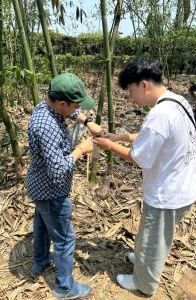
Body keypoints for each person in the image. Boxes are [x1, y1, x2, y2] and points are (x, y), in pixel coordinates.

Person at [93, 59, 196, 295]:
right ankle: (141, 257)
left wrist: (109, 145)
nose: (132, 98)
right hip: (183, 185)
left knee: (155, 241)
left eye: (131, 91)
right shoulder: (177, 101)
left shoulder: (159, 114)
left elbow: (139, 159)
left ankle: (143, 284)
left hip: (168, 194)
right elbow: (154, 136)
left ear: (144, 85)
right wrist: (121, 137)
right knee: (149, 234)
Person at [26, 73, 102, 299]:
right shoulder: (46, 126)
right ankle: (65, 288)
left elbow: (73, 110)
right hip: (51, 190)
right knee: (65, 239)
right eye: (75, 104)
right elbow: (58, 169)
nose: (78, 108)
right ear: (62, 103)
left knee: (41, 226)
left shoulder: (48, 105)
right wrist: (82, 149)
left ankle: (40, 262)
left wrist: (88, 121)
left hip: (39, 187)